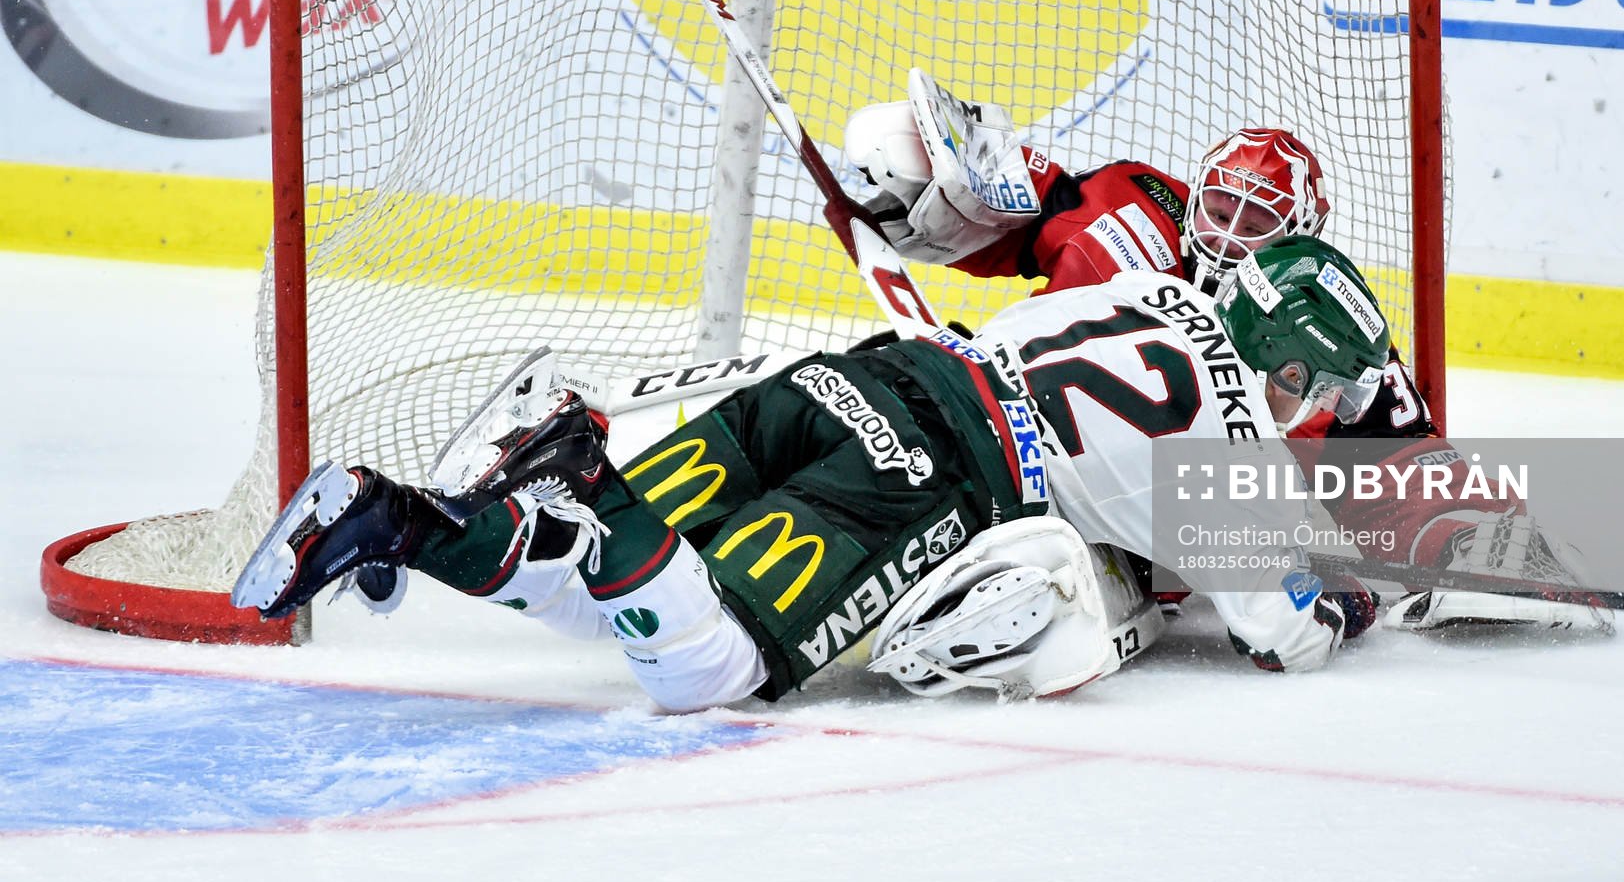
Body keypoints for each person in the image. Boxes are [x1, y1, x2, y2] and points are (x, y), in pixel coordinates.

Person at [233, 237, 1396, 711]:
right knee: (713, 669)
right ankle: (586, 468)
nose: (1317, 415)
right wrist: (1341, 598)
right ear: (1290, 361)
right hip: (929, 472)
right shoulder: (1236, 458)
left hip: (853, 377)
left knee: (625, 604)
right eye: (1323, 390)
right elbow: (1274, 633)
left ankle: (393, 519)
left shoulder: (1146, 282)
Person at [844, 69, 1607, 635]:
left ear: (1300, 235)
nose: (1226, 231)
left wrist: (1473, 530)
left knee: (1090, 597)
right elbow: (1011, 205)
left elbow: (1402, 458)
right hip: (988, 417)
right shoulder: (1133, 202)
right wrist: (934, 186)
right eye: (1218, 205)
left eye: (1257, 221)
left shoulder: (1316, 323)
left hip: (1116, 523)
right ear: (1196, 188)